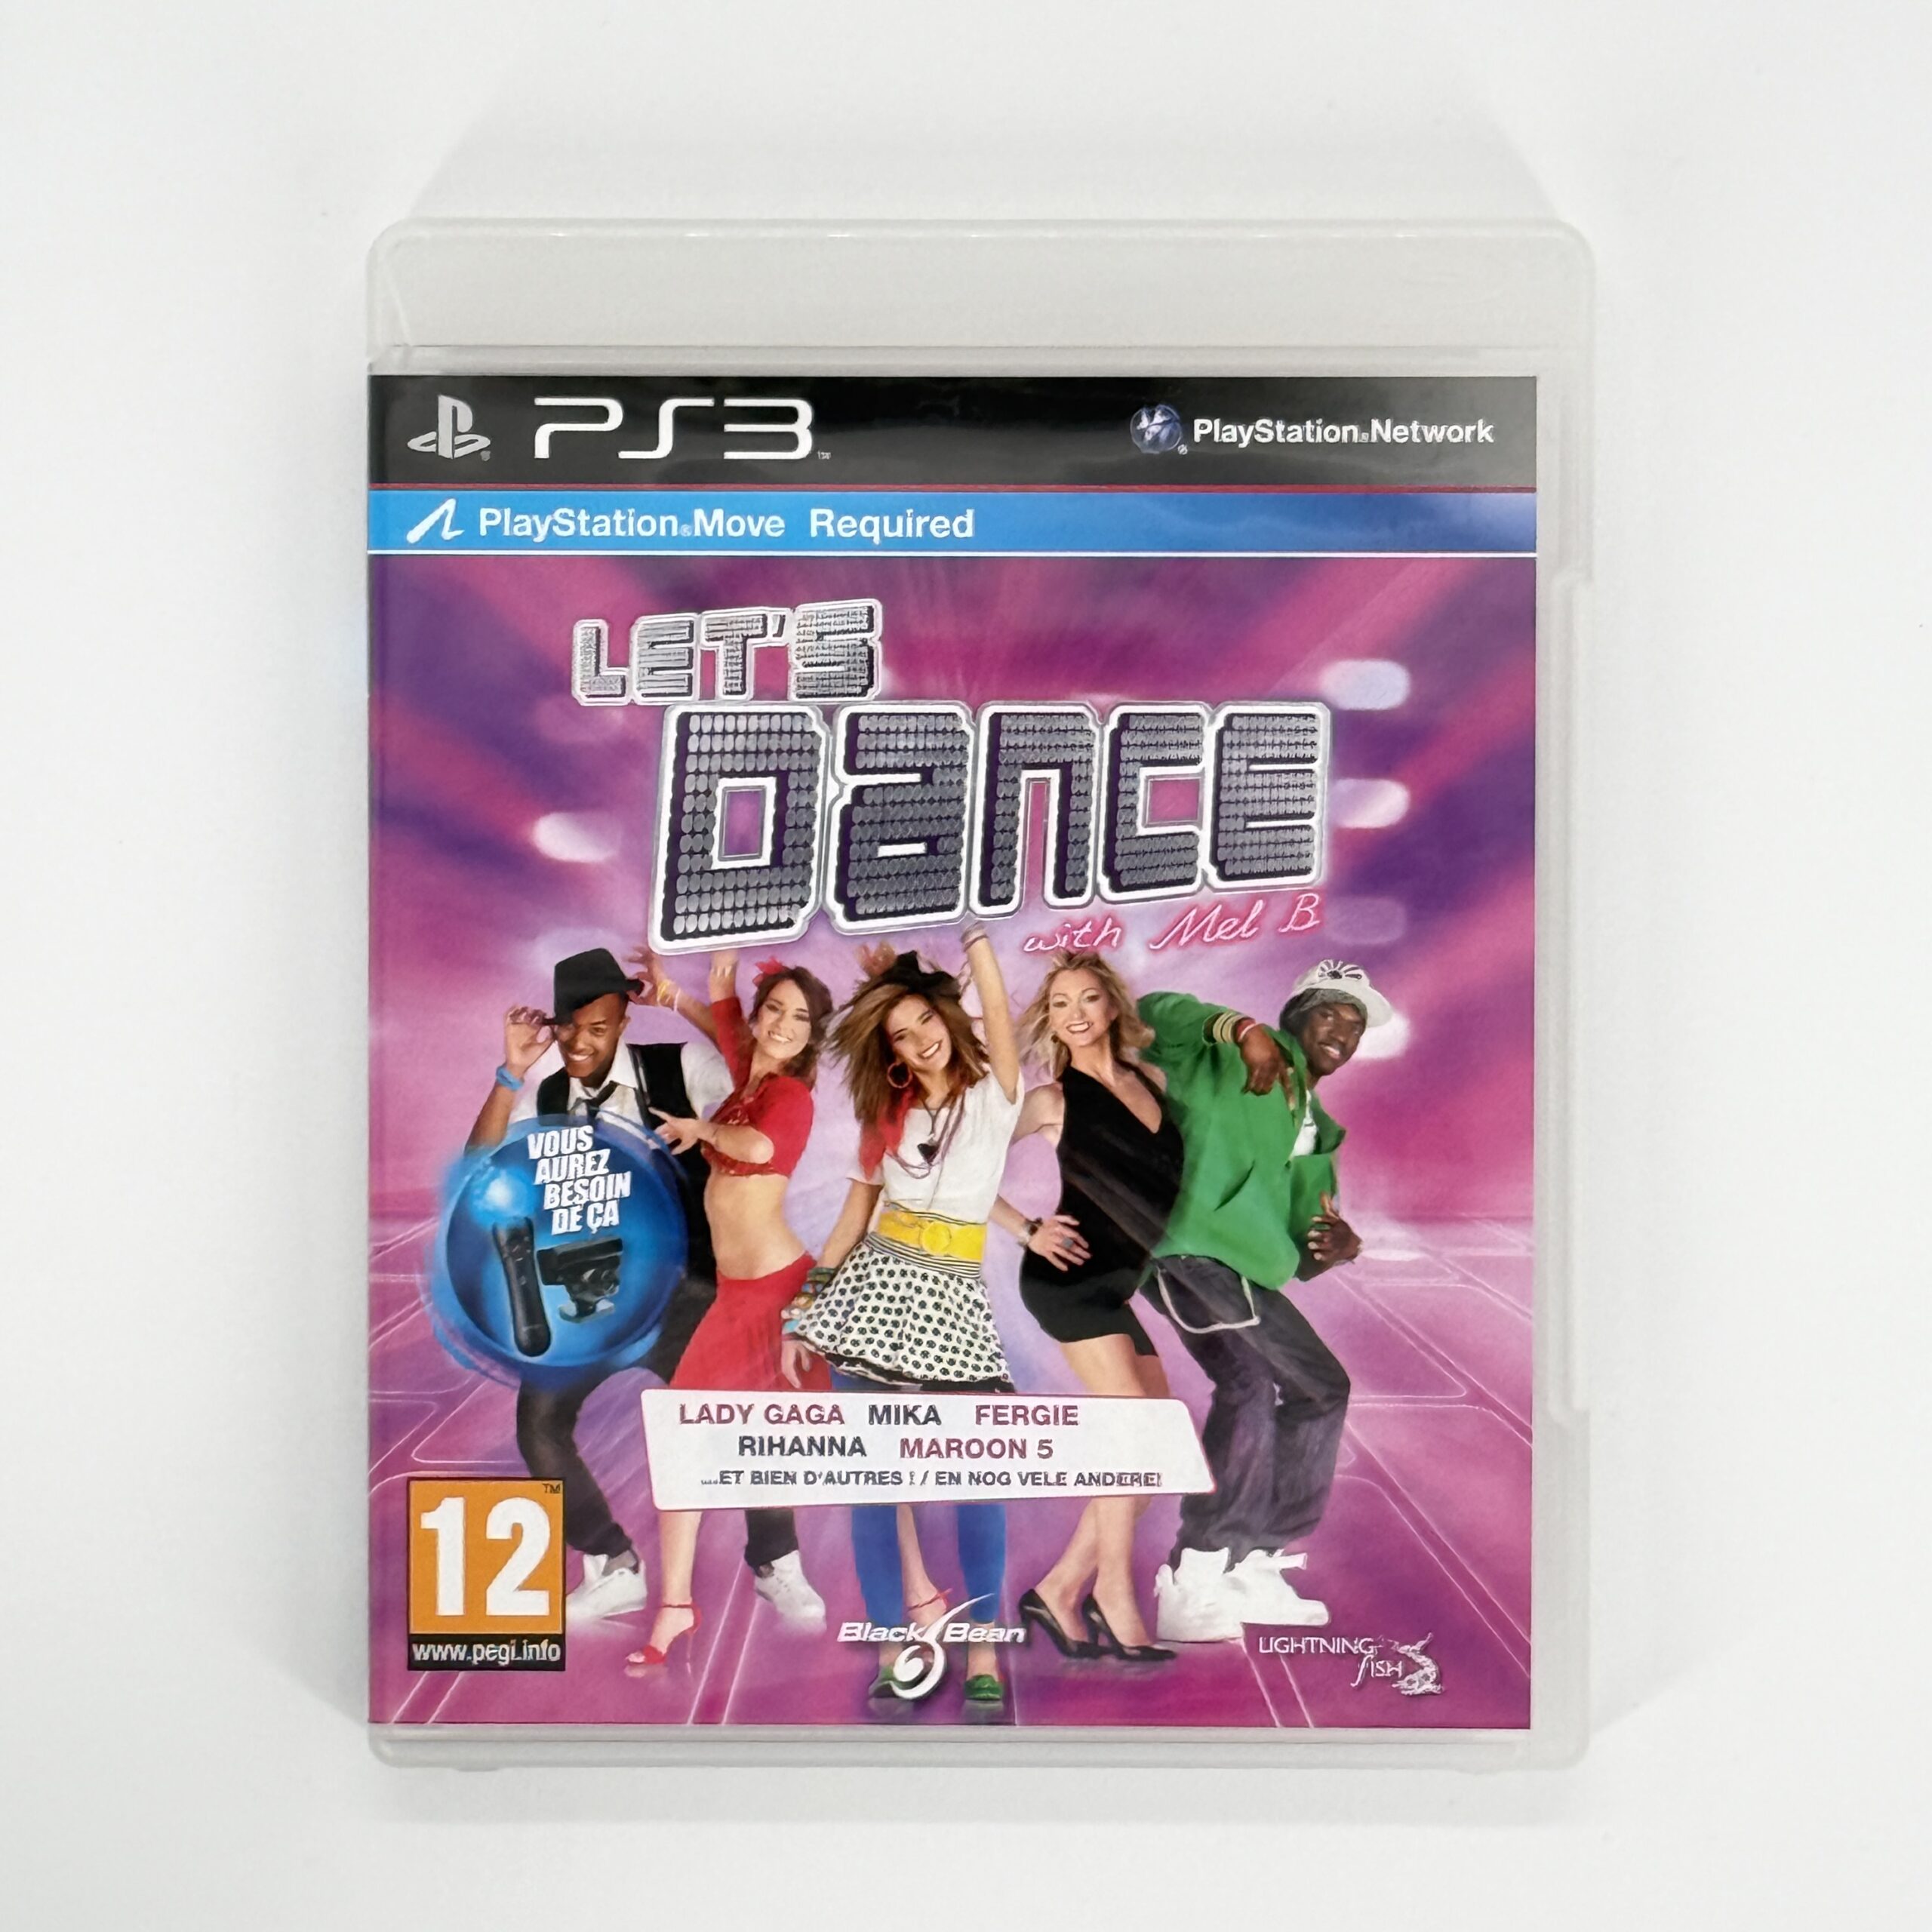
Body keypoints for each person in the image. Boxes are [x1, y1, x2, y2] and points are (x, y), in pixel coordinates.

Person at [465, 946, 821, 1628]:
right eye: (568, 1028)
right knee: (539, 1425)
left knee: (744, 1418)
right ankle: (613, 1564)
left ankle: (777, 1559)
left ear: (623, 1024)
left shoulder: (677, 1068)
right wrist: (511, 1073)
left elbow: (758, 1063)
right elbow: (477, 1167)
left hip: (686, 1293)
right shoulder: (547, 1095)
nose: (579, 1042)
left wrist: (684, 999)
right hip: (592, 1302)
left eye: (598, 1028)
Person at [785, 928, 1024, 1717]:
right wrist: (803, 1310)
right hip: (872, 1297)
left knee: (979, 1482)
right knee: (874, 1486)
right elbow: (852, 1220)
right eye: (900, 1035)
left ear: (948, 1020)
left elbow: (996, 1009)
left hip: (953, 1299)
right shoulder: (885, 1115)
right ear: (887, 1052)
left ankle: (984, 1651)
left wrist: (976, 932)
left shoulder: (995, 1096)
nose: (920, 1041)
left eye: (926, 1022)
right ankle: (892, 1652)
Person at [1134, 958, 1389, 1642]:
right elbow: (1152, 1011)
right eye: (1329, 1012)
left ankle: (1251, 1562)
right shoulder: (1231, 1055)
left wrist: (1340, 1245)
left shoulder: (1318, 1128)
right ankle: (1196, 1571)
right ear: (1295, 1014)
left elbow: (1306, 1240)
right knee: (1266, 1383)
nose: (1342, 1032)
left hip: (1245, 1270)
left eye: (1355, 1025)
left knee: (1302, 1387)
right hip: (1189, 1248)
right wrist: (1239, 1029)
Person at [622, 952, 837, 1667]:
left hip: (780, 1296)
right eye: (774, 1008)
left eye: (799, 1018)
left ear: (812, 1035)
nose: (783, 1025)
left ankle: (780, 1568)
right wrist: (675, 996)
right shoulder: (752, 1077)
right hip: (734, 1296)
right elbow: (728, 1031)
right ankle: (675, 1607)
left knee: (773, 1447)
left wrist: (703, 1130)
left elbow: (758, 1144)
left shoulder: (791, 1096)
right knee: (685, 1442)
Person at [989, 951, 1183, 1664]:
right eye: (1061, 1003)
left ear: (1111, 1006)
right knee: (1133, 1436)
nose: (1076, 1013)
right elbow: (953, 1165)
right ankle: (1114, 1596)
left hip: (1118, 1286)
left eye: (1089, 998)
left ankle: (1060, 1589)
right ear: (1050, 1019)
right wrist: (1026, 1229)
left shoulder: (1152, 1081)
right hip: (1067, 1280)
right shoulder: (1051, 1101)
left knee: (1157, 1453)